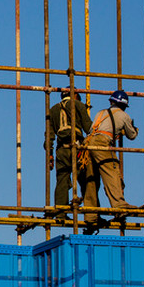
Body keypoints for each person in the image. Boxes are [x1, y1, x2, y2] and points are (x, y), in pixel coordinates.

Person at [83, 90, 138, 226]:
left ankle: (90, 215)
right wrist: (134, 128)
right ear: (124, 105)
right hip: (102, 143)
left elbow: (92, 129)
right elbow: (132, 136)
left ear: (111, 102)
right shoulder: (124, 116)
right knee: (112, 173)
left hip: (88, 144)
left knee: (91, 180)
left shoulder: (100, 113)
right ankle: (119, 205)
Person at [46, 89, 93, 219]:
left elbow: (49, 135)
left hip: (61, 149)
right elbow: (88, 127)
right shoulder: (77, 105)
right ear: (75, 96)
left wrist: (49, 153)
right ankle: (91, 213)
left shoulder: (53, 109)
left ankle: (60, 212)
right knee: (85, 178)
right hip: (76, 147)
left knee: (62, 180)